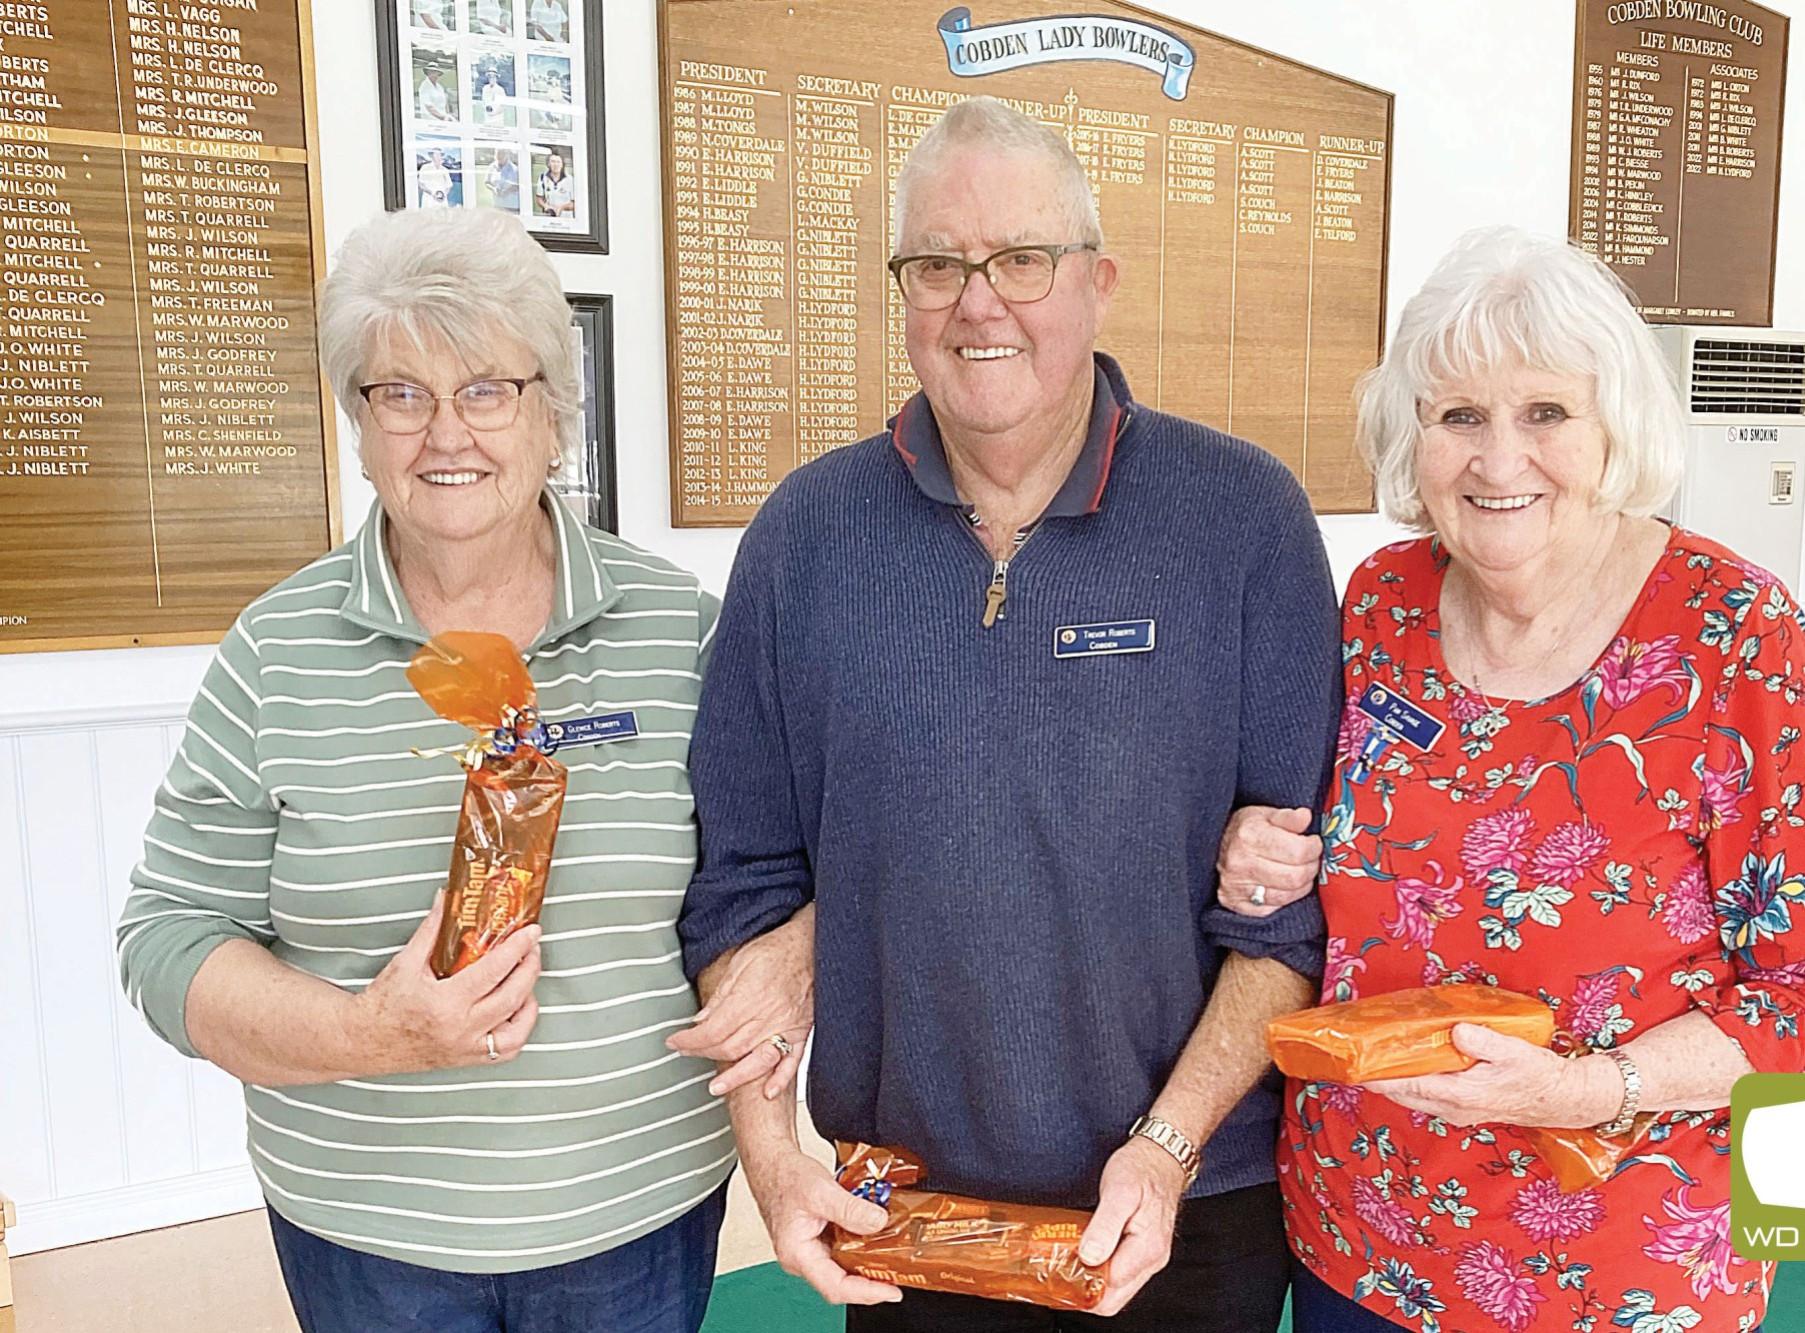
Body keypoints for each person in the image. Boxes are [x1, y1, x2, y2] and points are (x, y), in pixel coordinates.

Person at [674, 96, 1339, 1332]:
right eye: (936, 265)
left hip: (1188, 1207)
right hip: (909, 1219)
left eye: (1021, 261)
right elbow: (739, 890)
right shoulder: (803, 539)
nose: (979, 303)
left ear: (1097, 281)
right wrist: (772, 1159)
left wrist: (1166, 1144)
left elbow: (1289, 918)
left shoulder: (1245, 523)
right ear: (903, 292)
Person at [1215, 227, 1805, 1333]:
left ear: (1612, 424)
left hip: (1627, 1263)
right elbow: (1311, 860)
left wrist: (1584, 1088)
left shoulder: (1731, 631)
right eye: (1458, 416)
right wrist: (1251, 856)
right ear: (1410, 434)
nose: (1496, 459)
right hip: (1362, 1236)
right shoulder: (1380, 603)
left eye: (1544, 413)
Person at [115, 207, 733, 1333]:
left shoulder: (681, 630)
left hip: (637, 1217)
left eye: (486, 389)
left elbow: (763, 884)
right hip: (366, 1235)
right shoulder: (273, 651)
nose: (444, 434)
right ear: (358, 424)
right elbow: (166, 941)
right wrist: (373, 1035)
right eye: (399, 393)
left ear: (554, 414)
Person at [535, 150, 575, 218]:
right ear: (548, 164)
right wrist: (545, 206)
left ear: (562, 164)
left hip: (566, 220)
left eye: (558, 162)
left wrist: (561, 207)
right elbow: (539, 199)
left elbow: (574, 203)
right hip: (548, 218)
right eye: (553, 161)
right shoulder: (543, 177)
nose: (556, 164)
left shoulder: (570, 179)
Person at [487, 147, 521, 212]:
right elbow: (487, 182)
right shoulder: (491, 167)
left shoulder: (515, 169)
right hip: (497, 205)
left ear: (506, 154)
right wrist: (494, 189)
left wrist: (508, 191)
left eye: (501, 154)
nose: (499, 156)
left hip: (512, 205)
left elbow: (519, 185)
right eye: (497, 154)